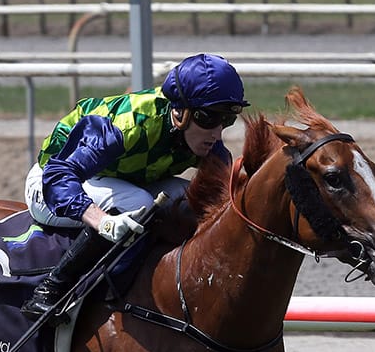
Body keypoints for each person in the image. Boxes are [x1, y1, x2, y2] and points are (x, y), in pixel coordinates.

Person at [20, 52, 249, 318]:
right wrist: (102, 221)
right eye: (208, 118)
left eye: (226, 120)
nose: (217, 133)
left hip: (118, 182)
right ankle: (51, 289)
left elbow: (224, 194)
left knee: (187, 200)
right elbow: (59, 176)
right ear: (179, 112)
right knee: (137, 204)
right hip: (50, 183)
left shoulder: (203, 138)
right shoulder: (126, 127)